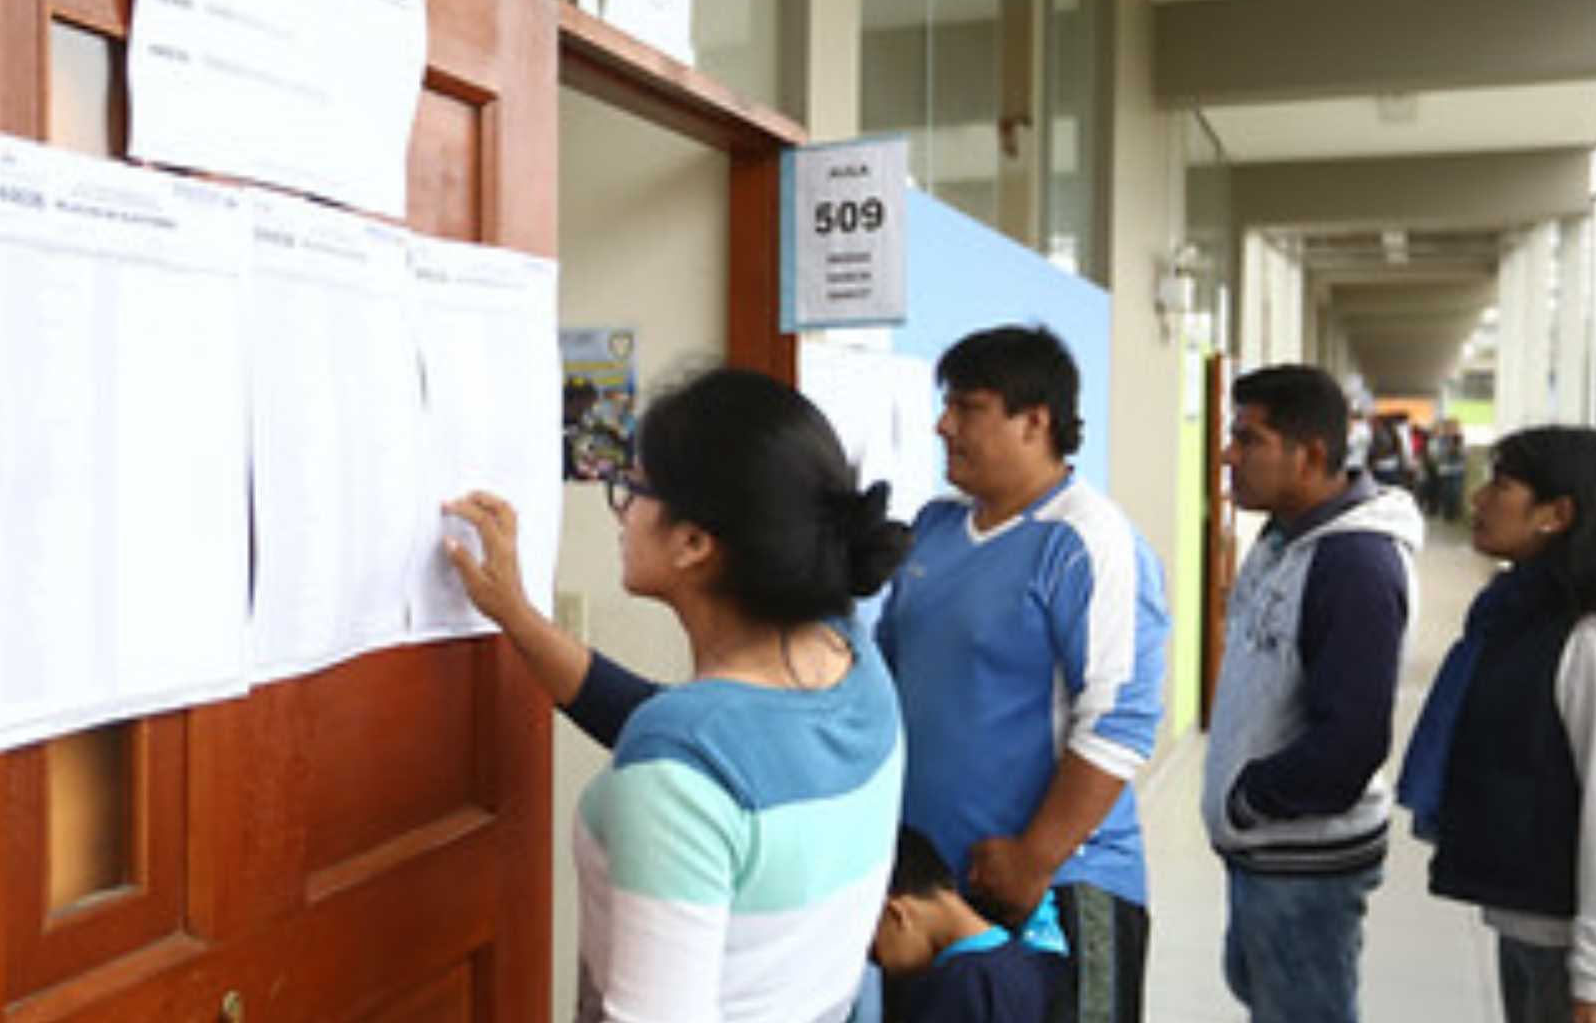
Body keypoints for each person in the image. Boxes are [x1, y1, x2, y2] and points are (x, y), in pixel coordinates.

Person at [442, 367, 912, 1022]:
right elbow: (701, 740)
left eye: (632, 488)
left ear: (693, 542)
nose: (622, 509)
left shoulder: (681, 764)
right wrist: (517, 616)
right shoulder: (852, 664)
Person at [876, 325, 1169, 1023]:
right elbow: (887, 675)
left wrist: (1034, 858)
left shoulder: (1088, 540)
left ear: (1035, 420)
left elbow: (1121, 720)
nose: (943, 425)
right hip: (932, 895)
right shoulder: (935, 529)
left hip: (1057, 887)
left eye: (967, 407)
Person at [1398, 426, 1596, 1023]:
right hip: (1538, 934)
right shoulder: (1519, 619)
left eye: (1500, 485)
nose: (1477, 499)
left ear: (1557, 514)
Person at [1202, 364, 1422, 1023]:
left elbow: (1352, 739)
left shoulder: (1354, 563)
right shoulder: (1280, 537)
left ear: (1312, 455)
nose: (1227, 454)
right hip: (1268, 853)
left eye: (1249, 440)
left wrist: (1249, 798)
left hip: (1303, 862)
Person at [873, 825, 1075, 1023]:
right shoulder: (1040, 961)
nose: (879, 964)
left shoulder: (956, 989)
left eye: (872, 951)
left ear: (894, 912)